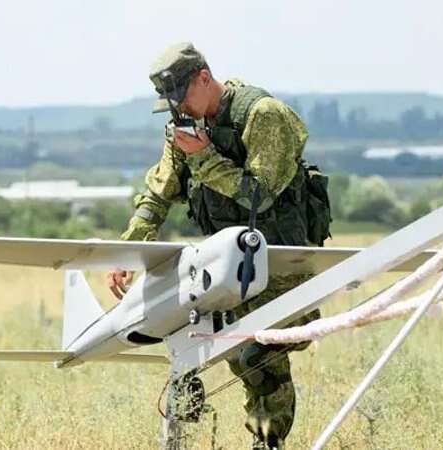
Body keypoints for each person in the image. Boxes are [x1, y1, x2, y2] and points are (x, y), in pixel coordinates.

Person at [107, 42, 330, 449]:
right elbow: (159, 193)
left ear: (205, 78)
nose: (179, 111)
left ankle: (267, 441)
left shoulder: (263, 115)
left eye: (182, 98)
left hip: (277, 262)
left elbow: (260, 195)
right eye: (171, 104)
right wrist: (128, 250)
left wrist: (205, 157)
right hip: (225, 265)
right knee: (198, 343)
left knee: (260, 358)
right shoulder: (185, 130)